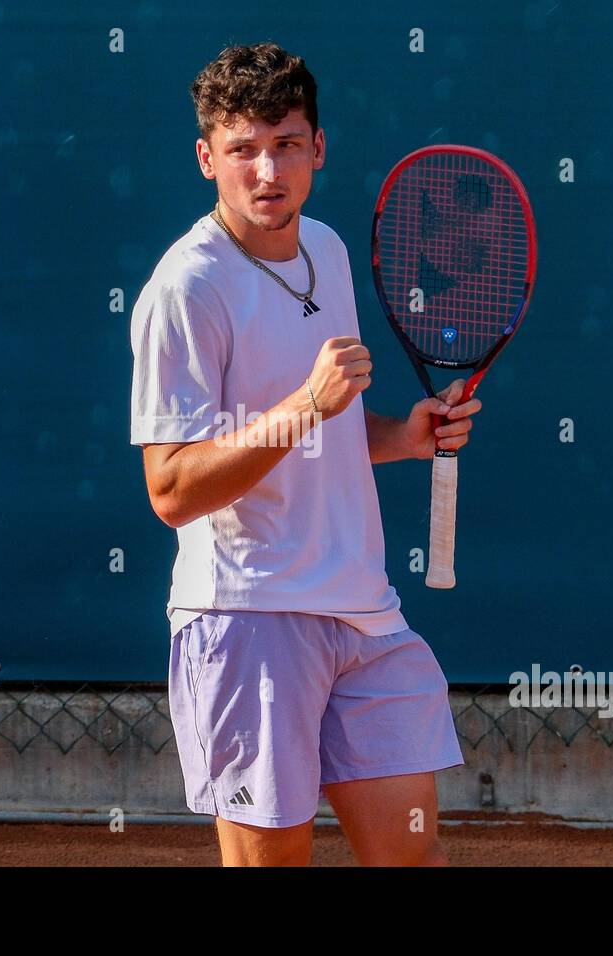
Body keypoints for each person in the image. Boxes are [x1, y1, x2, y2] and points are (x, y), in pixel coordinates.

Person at [129, 42, 482, 867]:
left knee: (411, 858)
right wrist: (303, 406)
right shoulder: (186, 289)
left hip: (364, 613)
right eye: (242, 147)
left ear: (317, 149)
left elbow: (329, 434)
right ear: (205, 158)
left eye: (286, 143)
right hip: (250, 618)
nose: (266, 170)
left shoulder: (326, 248)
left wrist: (403, 435)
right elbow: (173, 489)